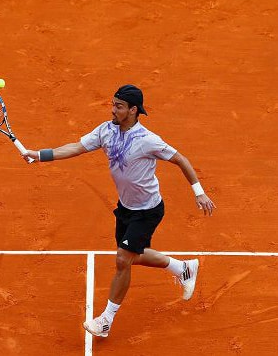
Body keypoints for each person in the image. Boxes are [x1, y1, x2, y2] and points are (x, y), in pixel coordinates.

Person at [22, 84, 216, 338]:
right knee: (133, 255)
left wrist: (199, 191)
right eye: (113, 104)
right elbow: (76, 147)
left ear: (133, 110)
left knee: (123, 260)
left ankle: (106, 319)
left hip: (148, 210)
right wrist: (39, 155)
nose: (113, 110)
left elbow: (180, 159)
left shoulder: (148, 140)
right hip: (125, 208)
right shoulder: (106, 130)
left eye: (119, 106)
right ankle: (183, 269)